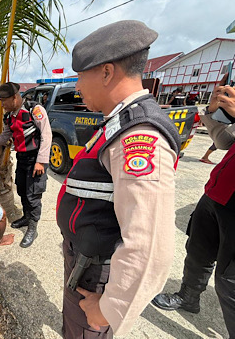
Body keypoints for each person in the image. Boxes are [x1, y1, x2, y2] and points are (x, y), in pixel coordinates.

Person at [56, 20, 181, 338]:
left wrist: (110, 308)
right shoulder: (118, 122)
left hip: (97, 277)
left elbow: (149, 246)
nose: (78, 87)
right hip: (85, 265)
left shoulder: (139, 135)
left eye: (81, 77)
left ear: (107, 72)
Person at [151, 79, 235, 338]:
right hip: (217, 193)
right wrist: (213, 114)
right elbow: (225, 142)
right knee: (198, 252)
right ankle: (188, 297)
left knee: (229, 282)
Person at [0, 82, 52, 248]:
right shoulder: (9, 116)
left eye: (4, 101)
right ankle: (26, 217)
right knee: (22, 189)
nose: (2, 105)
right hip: (22, 158)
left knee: (33, 194)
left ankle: (33, 226)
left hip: (35, 159)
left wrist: (41, 161)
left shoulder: (34, 110)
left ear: (15, 97)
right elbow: (3, 137)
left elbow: (46, 135)